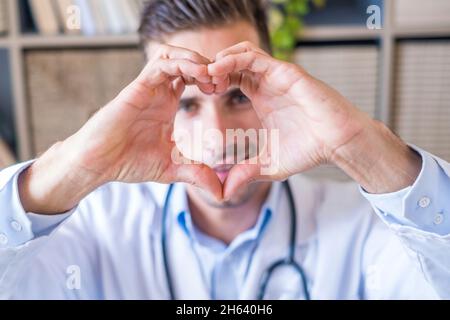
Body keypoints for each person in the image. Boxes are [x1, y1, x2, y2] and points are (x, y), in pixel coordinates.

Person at [0, 0, 449, 300]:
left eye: (239, 96)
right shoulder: (96, 232)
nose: (216, 136)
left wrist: (360, 143)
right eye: (186, 102)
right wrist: (79, 162)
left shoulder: (361, 226)